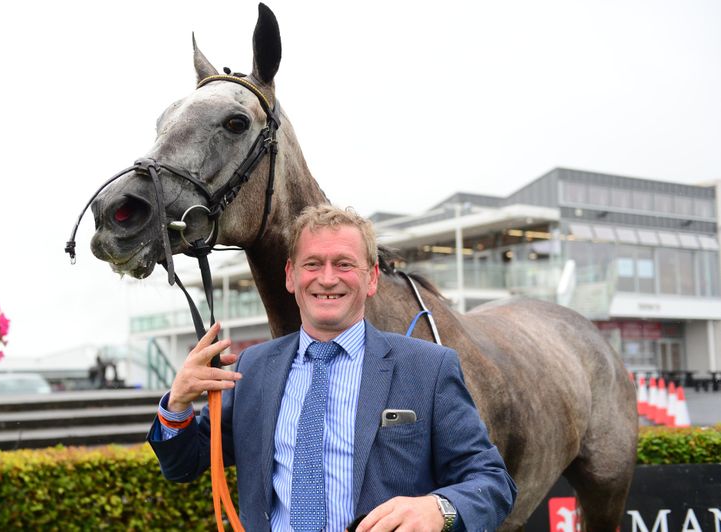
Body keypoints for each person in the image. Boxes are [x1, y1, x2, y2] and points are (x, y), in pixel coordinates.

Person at [149, 204, 516, 531]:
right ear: (291, 276)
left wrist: (440, 510)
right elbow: (186, 465)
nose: (327, 278)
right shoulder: (253, 369)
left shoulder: (428, 368)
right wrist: (177, 403)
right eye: (313, 264)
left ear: (371, 278)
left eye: (344, 264)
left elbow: (493, 482)